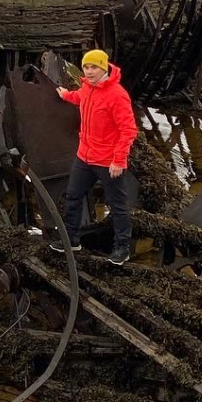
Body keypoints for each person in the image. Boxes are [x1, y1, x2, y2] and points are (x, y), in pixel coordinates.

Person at [57, 48, 137, 264]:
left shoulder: (117, 95)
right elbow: (79, 98)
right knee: (73, 196)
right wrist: (65, 95)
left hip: (108, 162)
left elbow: (129, 130)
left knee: (118, 205)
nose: (89, 71)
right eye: (86, 67)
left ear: (104, 68)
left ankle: (122, 248)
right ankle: (71, 240)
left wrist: (119, 160)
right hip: (84, 157)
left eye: (94, 67)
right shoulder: (87, 88)